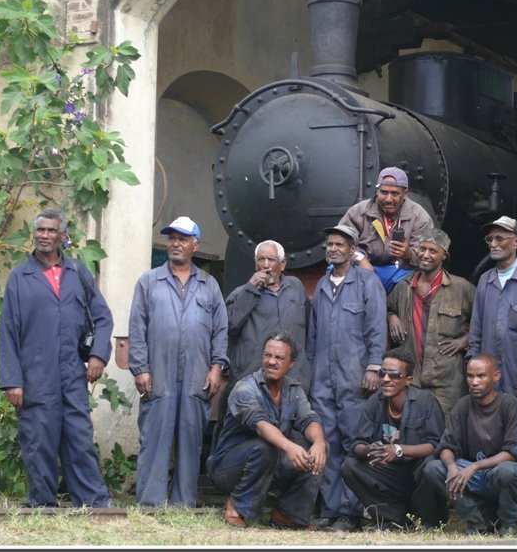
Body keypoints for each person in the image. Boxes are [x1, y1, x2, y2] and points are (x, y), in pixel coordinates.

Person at [0, 207, 113, 508]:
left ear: (64, 236)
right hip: (35, 375)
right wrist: (12, 381)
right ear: (34, 234)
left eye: (51, 230)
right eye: (40, 230)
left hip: (72, 373)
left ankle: (92, 502)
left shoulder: (77, 272)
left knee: (79, 437)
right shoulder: (20, 278)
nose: (45, 236)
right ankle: (42, 503)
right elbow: (8, 331)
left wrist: (99, 355)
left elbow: (102, 317)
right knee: (39, 440)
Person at [128, 216, 229, 507]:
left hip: (198, 374)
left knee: (190, 440)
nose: (175, 243)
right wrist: (140, 369)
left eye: (182, 239)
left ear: (195, 245)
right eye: (172, 238)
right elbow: (137, 327)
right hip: (158, 371)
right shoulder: (149, 281)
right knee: (155, 436)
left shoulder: (209, 285)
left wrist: (216, 367)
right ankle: (150, 502)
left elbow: (220, 330)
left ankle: (183, 503)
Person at [307, 223, 388, 531]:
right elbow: (313, 338)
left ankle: (351, 512)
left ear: (352, 249)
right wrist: (314, 377)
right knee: (327, 444)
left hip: (356, 379)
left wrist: (374, 367)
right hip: (324, 380)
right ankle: (330, 508)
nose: (333, 248)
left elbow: (376, 329)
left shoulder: (368, 283)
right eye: (330, 244)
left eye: (340, 244)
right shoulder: (324, 285)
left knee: (356, 444)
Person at [208, 331, 327, 529]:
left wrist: (319, 443)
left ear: (291, 364)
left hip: (268, 466)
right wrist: (289, 447)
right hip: (227, 469)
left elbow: (309, 419)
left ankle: (288, 516)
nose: (271, 362)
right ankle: (236, 507)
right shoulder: (245, 388)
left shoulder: (293, 390)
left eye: (279, 358)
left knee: (318, 450)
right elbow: (261, 425)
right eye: (267, 355)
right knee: (266, 447)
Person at [423, 354, 517, 536]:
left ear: (496, 377)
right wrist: (451, 467)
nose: (474, 382)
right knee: (433, 468)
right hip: (474, 474)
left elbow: (513, 451)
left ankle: (509, 524)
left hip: (499, 471)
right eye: (470, 376)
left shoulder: (509, 404)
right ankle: (477, 522)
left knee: (508, 471)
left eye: (481, 376)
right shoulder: (463, 405)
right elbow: (447, 445)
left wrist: (475, 466)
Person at [341, 348, 446, 530]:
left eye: (394, 375)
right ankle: (395, 520)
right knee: (350, 466)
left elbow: (436, 445)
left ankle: (429, 521)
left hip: (417, 474)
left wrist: (399, 450)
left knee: (431, 465)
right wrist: (369, 450)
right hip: (390, 475)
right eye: (382, 373)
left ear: (409, 380)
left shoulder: (426, 402)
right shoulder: (375, 402)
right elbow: (357, 444)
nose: (386, 379)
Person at [467, 215, 517, 432]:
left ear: (516, 242)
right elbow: (476, 330)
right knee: (491, 427)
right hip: (490, 372)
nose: (493, 244)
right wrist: (473, 365)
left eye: (500, 238)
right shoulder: (485, 280)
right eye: (490, 239)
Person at [386, 228, 475, 416]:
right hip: (413, 381)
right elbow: (386, 308)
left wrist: (465, 340)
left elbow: (484, 320)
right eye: (422, 249)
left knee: (448, 436)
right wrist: (391, 316)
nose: (425, 255)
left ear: (444, 255)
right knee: (416, 433)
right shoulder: (403, 287)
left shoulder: (461, 288)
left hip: (447, 382)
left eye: (433, 251)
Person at [224, 240, 310, 390]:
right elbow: (230, 326)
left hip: (293, 379)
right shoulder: (240, 293)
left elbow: (310, 327)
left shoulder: (296, 288)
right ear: (255, 263)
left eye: (271, 260)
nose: (265, 265)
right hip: (253, 379)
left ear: (282, 264)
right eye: (261, 259)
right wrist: (251, 289)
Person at [338, 166, 434, 293]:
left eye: (395, 194)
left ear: (405, 194)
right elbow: (339, 243)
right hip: (363, 267)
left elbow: (428, 256)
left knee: (420, 278)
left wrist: (409, 254)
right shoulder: (358, 211)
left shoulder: (420, 217)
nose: (389, 199)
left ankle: (397, 311)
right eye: (384, 192)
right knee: (336, 269)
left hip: (399, 271)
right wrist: (359, 258)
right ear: (377, 191)